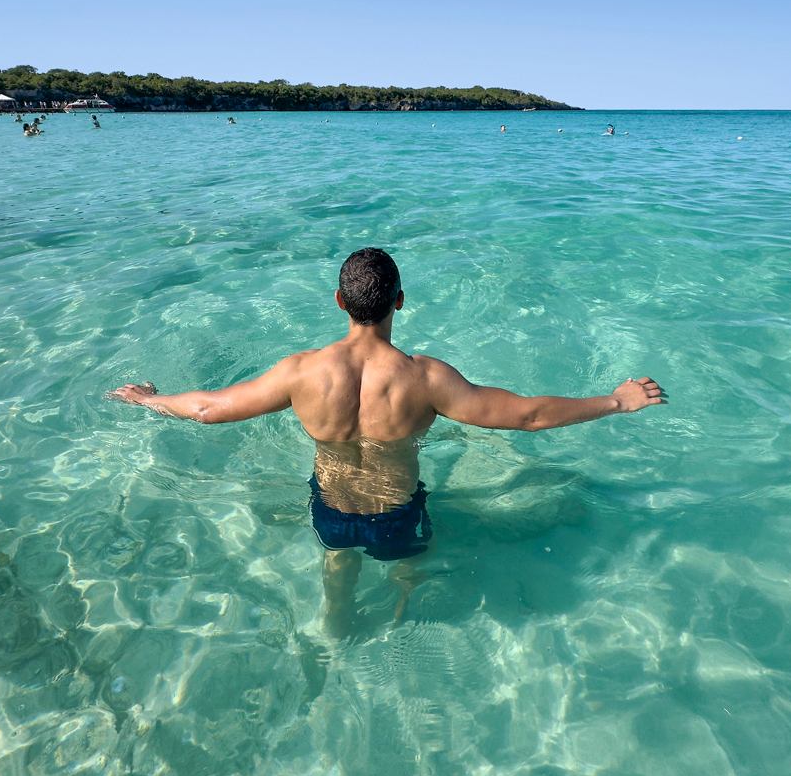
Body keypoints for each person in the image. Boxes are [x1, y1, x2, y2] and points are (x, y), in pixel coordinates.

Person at [109, 249, 664, 636]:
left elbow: (207, 409)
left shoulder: (301, 373)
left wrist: (146, 399)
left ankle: (337, 624)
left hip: (330, 509)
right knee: (408, 568)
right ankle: (400, 609)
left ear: (338, 301)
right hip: (398, 513)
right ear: (400, 301)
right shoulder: (425, 379)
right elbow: (528, 416)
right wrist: (617, 401)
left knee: (338, 564)